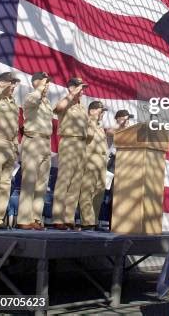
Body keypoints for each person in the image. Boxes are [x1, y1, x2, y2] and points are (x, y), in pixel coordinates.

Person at [52, 76, 89, 230]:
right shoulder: (66, 101)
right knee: (65, 180)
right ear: (72, 87)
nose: (82, 91)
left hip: (81, 144)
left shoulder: (81, 107)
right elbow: (57, 109)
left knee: (75, 183)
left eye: (83, 88)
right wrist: (71, 95)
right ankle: (58, 218)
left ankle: (68, 218)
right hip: (69, 141)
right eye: (80, 88)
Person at [17, 72, 53, 230]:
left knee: (42, 184)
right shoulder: (31, 96)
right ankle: (24, 219)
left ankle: (36, 218)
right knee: (29, 181)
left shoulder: (46, 102)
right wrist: (40, 87)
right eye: (45, 83)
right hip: (33, 141)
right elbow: (32, 100)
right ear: (36, 83)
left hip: (45, 142)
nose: (47, 86)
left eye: (48, 83)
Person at [0, 72, 21, 229]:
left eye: (14, 83)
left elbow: (14, 126)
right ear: (2, 83)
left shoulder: (13, 102)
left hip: (10, 145)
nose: (13, 86)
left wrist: (16, 146)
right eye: (11, 82)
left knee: (5, 183)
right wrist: (0, 89)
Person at [79, 101, 108, 230]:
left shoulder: (100, 126)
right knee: (87, 191)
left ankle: (94, 221)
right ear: (92, 111)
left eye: (103, 112)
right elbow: (88, 136)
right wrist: (92, 120)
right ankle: (87, 221)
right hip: (90, 159)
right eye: (100, 111)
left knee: (99, 192)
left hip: (101, 161)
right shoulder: (86, 122)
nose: (102, 114)